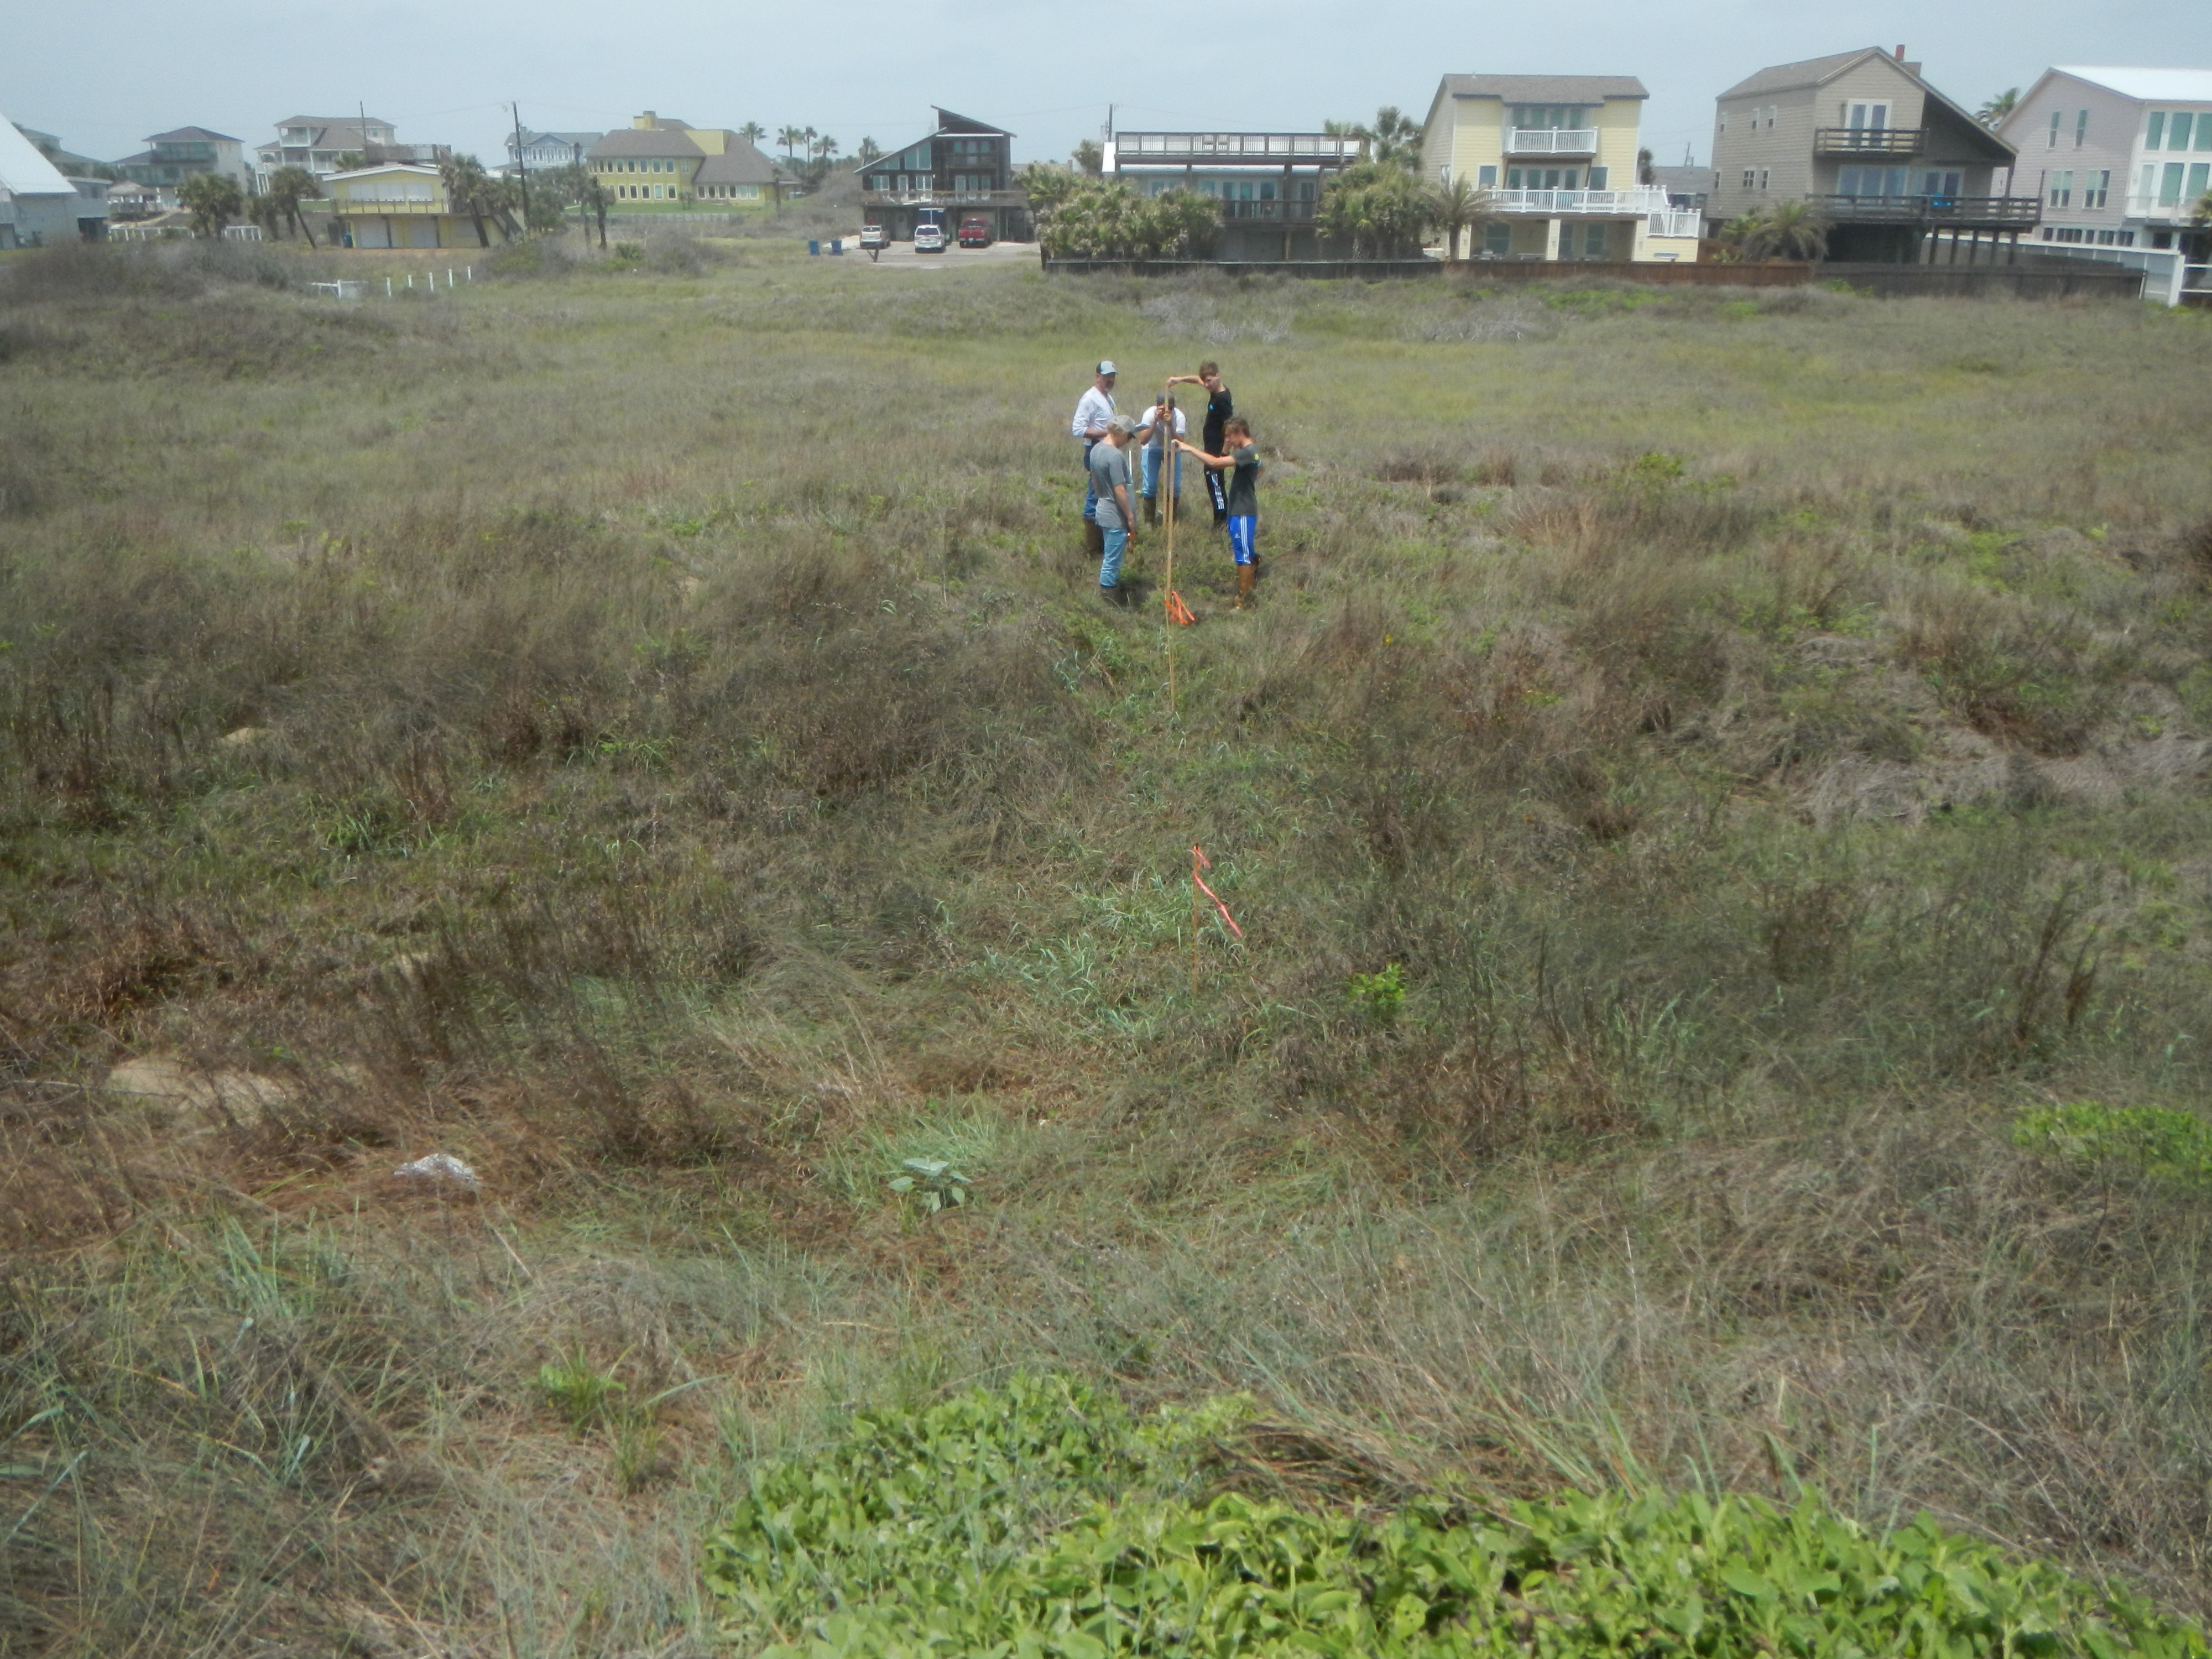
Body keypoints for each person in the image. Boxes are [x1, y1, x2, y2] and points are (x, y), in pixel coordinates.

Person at [1177, 415, 1261, 609]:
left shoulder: (1248, 452)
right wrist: (1227, 448)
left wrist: (1188, 448)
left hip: (1243, 510)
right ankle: (1251, 576)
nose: (1228, 441)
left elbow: (1215, 464)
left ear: (1240, 433)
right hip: (1239, 508)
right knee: (1243, 550)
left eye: (1230, 437)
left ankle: (1244, 600)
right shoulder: (1250, 453)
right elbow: (1255, 468)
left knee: (1243, 555)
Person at [1166, 361, 1232, 529]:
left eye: (1210, 380)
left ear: (1218, 376)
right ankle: (1220, 521)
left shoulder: (1223, 399)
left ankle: (1222, 524)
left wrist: (1224, 455)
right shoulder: (1214, 390)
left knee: (1217, 487)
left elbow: (1230, 428)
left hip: (1216, 453)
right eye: (1206, 381)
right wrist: (1179, 380)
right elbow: (1197, 379)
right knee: (1212, 485)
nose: (1207, 384)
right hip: (1209, 450)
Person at [1071, 360, 1118, 560]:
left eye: (1112, 376)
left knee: (1104, 496)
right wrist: (1105, 432)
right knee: (1095, 496)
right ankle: (1092, 549)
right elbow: (1077, 429)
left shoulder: (1108, 398)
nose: (1110, 380)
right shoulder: (1089, 398)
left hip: (1107, 450)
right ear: (1097, 376)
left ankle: (1101, 543)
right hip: (1096, 450)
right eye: (1106, 376)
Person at [1089, 415, 1139, 602]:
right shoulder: (1115, 456)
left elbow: (1095, 482)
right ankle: (1109, 599)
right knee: (1112, 561)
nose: (1128, 442)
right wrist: (1130, 517)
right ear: (1122, 433)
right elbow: (1120, 489)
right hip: (1115, 516)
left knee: (1110, 557)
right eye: (1129, 437)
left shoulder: (1096, 450)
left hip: (1102, 509)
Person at [1134, 395, 1185, 527]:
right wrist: (1156, 420)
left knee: (1175, 487)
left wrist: (1170, 426)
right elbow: (1143, 440)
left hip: (1172, 449)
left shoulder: (1179, 417)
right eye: (1163, 409)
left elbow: (1180, 444)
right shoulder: (1149, 415)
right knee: (1150, 486)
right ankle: (1149, 521)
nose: (1167, 412)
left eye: (1171, 409)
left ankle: (1170, 519)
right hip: (1152, 448)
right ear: (1157, 407)